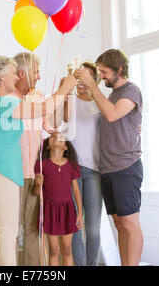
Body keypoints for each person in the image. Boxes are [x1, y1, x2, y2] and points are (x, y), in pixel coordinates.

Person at [0, 55, 77, 266]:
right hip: (3, 173)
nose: (17, 76)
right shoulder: (4, 101)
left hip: (0, 172)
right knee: (8, 233)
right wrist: (65, 87)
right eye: (13, 73)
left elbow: (47, 119)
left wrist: (61, 96)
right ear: (2, 76)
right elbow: (43, 109)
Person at [0, 52, 47, 266]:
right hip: (6, 172)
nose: (39, 76)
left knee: (24, 231)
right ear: (20, 73)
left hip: (29, 172)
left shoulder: (38, 96)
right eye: (35, 71)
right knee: (8, 233)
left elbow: (51, 126)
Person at [75, 49, 143, 266]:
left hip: (126, 167)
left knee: (130, 223)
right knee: (119, 224)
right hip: (107, 169)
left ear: (119, 69)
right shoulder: (111, 94)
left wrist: (92, 85)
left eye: (104, 72)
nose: (101, 76)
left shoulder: (131, 91)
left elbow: (112, 114)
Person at [64, 61, 103, 266]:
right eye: (79, 77)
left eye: (86, 76)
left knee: (94, 227)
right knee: (76, 225)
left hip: (96, 170)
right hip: (74, 170)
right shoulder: (71, 101)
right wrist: (68, 88)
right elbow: (62, 117)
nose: (82, 81)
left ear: (94, 80)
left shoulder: (100, 103)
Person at [32, 132, 83, 266]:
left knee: (66, 250)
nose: (56, 138)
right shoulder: (41, 165)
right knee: (54, 250)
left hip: (68, 210)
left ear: (66, 147)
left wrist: (80, 214)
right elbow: (36, 193)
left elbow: (76, 191)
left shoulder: (71, 165)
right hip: (50, 211)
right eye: (53, 136)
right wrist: (37, 184)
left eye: (61, 137)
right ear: (47, 146)